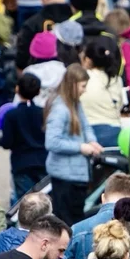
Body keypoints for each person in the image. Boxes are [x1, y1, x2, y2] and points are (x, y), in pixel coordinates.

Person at [44, 64, 105, 224]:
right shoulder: (60, 109)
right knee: (68, 221)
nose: (85, 90)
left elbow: (85, 126)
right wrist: (81, 147)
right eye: (83, 86)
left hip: (76, 174)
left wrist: (92, 141)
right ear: (73, 84)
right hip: (66, 176)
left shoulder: (75, 104)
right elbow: (52, 141)